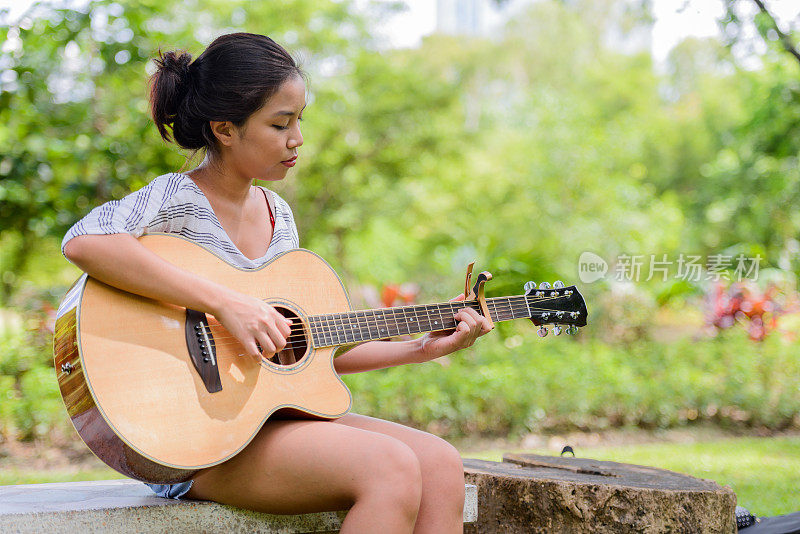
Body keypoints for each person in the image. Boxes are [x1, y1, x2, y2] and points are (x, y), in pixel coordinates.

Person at [62, 32, 492, 533]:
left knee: (439, 464)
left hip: (266, 427)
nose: (297, 139)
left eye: (299, 120)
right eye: (279, 123)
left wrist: (421, 347)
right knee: (389, 468)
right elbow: (84, 241)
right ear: (225, 129)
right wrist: (226, 304)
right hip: (191, 439)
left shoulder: (278, 216)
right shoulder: (178, 197)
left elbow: (307, 347)